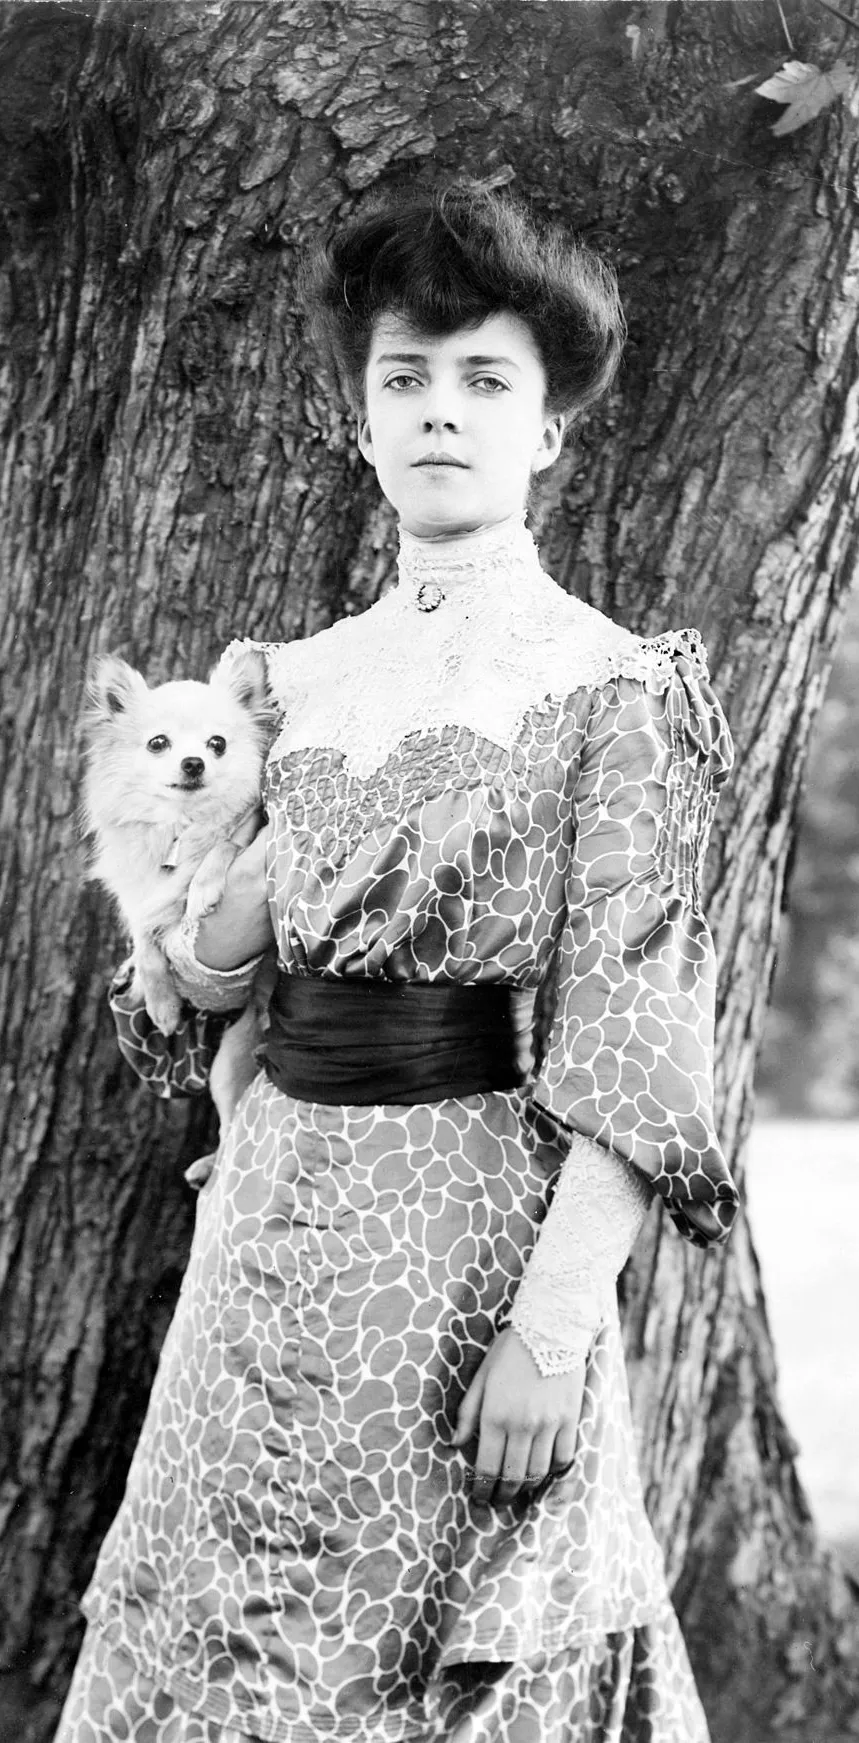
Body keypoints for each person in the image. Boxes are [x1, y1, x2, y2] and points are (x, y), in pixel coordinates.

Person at [57, 184, 739, 1743]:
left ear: (548, 429)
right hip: (263, 1252)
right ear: (359, 421)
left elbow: (634, 1039)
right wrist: (229, 927)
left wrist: (549, 1333)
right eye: (403, 378)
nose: (440, 413)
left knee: (431, 1659)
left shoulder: (614, 688)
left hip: (470, 1268)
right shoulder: (278, 690)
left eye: (483, 380)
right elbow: (190, 1000)